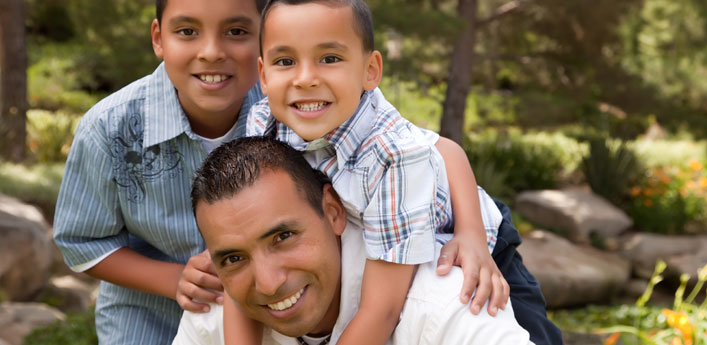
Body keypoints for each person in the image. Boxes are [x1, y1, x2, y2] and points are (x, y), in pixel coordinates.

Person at [242, 1, 562, 344]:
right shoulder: (264, 123)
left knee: (522, 328)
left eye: (330, 58)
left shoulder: (390, 152)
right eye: (285, 61)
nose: (305, 79)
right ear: (263, 75)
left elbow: (382, 309)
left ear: (370, 70)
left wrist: (470, 235)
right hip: (382, 224)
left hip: (472, 233)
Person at [173, 136, 534, 345]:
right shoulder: (214, 308)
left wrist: (470, 232)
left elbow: (445, 149)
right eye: (233, 258)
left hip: (481, 234)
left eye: (283, 237)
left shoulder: (442, 303)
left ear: (333, 212)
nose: (268, 283)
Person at [52, 0, 266, 343]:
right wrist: (175, 278)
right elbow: (82, 242)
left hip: (265, 315)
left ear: (265, 38)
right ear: (159, 38)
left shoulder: (286, 118)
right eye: (187, 32)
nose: (211, 52)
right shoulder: (109, 129)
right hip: (148, 323)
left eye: (236, 32)